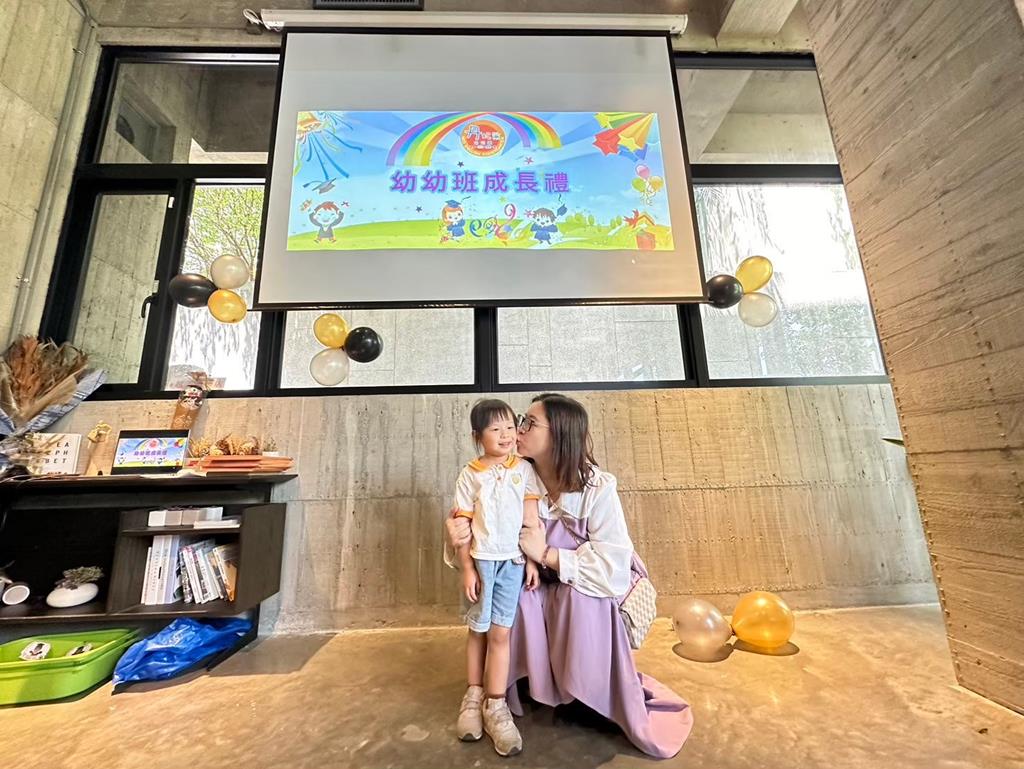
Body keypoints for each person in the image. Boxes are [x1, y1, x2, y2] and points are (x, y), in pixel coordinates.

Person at [446, 393, 693, 759]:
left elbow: (611, 568)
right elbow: (482, 532)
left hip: (582, 580)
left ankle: (587, 692)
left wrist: (545, 554)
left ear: (559, 434)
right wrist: (457, 534)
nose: (516, 430)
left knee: (582, 600)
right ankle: (507, 691)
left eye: (529, 423)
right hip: (533, 577)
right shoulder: (513, 473)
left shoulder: (596, 487)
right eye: (519, 420)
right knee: (516, 596)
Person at [453, 399, 542, 757]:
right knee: (478, 631)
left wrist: (533, 561)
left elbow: (531, 520)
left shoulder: (524, 469)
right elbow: (461, 527)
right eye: (495, 429)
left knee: (501, 633)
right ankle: (473, 697)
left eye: (509, 427)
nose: (505, 435)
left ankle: (496, 704)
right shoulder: (470, 474)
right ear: (478, 436)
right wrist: (467, 568)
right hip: (481, 563)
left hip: (514, 562)